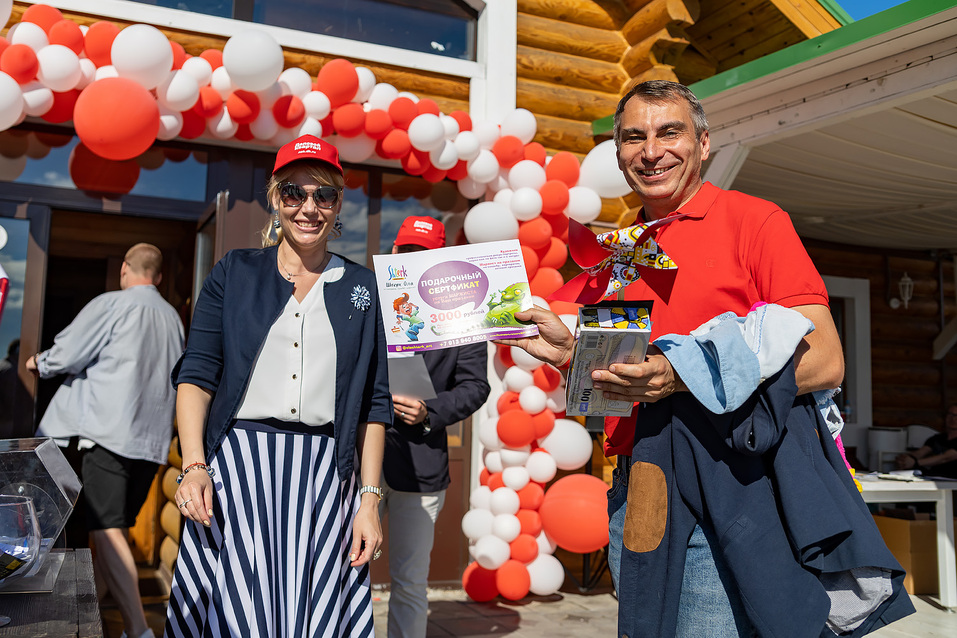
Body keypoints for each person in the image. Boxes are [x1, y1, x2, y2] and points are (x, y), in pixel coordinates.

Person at [498, 81, 857, 635]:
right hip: (638, 488)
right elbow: (610, 386)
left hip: (737, 484)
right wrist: (572, 354)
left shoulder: (755, 221)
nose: (651, 150)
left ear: (704, 143)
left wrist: (680, 376)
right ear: (617, 154)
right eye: (633, 137)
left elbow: (826, 361)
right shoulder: (620, 252)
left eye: (670, 132)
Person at [165, 135, 391, 638]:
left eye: (324, 195)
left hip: (325, 478)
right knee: (236, 615)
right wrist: (194, 465)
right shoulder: (234, 272)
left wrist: (369, 500)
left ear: (337, 205)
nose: (308, 208)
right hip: (237, 472)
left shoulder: (363, 287)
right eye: (294, 193)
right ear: (274, 197)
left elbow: (374, 405)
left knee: (316, 616)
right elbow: (196, 377)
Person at [26, 243, 184, 638]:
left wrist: (37, 363)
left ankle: (138, 629)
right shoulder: (173, 320)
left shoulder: (114, 303)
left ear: (125, 271)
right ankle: (82, 620)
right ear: (160, 277)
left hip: (108, 434)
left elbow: (68, 354)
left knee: (106, 531)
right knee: (111, 531)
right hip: (150, 444)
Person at [380, 216, 490, 638]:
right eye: (406, 254)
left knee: (409, 582)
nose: (411, 263)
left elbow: (475, 386)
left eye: (422, 257)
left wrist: (430, 411)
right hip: (357, 463)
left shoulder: (464, 318)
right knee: (343, 572)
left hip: (421, 467)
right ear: (393, 254)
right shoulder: (367, 304)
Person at [895, 403, 957, 478]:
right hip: (934, 476)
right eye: (950, 415)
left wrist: (915, 463)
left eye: (956, 416)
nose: (953, 419)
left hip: (952, 479)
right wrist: (905, 459)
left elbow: (945, 458)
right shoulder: (937, 438)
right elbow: (920, 452)